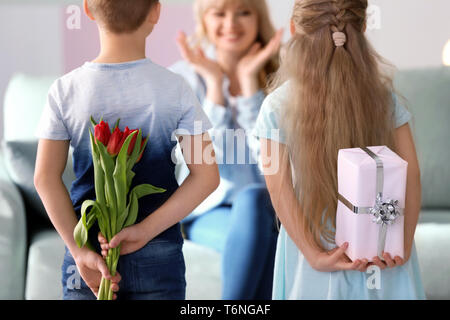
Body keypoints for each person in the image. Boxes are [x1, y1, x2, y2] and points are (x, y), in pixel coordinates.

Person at [34, 0, 219, 300]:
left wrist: (79, 251)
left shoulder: (65, 90)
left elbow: (44, 178)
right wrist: (145, 230)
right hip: (159, 253)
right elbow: (207, 176)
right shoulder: (175, 88)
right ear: (156, 11)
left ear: (88, 10)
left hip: (90, 254)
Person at [253, 0, 426, 299]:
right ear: (363, 26)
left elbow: (278, 187)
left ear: (294, 29)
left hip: (317, 253)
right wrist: (402, 244)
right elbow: (412, 175)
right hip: (382, 247)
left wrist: (314, 253)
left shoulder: (276, 106)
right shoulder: (385, 99)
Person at [169, 0, 283, 299]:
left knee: (257, 202)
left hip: (272, 209)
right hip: (210, 212)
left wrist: (249, 90)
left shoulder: (281, 77)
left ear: (258, 19)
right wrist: (215, 88)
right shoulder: (182, 79)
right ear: (204, 20)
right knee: (263, 227)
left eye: (243, 12)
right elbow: (201, 164)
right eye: (219, 13)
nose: (231, 24)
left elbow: (276, 165)